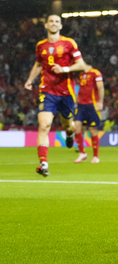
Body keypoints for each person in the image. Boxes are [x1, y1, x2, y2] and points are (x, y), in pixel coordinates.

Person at [24, 14, 85, 177]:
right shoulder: (40, 46)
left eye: (57, 21)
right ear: (46, 25)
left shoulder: (69, 43)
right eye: (51, 21)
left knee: (68, 125)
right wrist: (30, 80)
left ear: (61, 26)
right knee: (44, 125)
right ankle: (43, 164)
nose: (54, 24)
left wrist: (65, 69)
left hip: (66, 92)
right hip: (47, 91)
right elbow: (38, 64)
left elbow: (81, 64)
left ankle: (70, 134)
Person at [73, 61, 104, 163]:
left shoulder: (95, 73)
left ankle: (96, 156)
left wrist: (100, 102)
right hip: (81, 105)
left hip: (92, 105)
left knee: (92, 130)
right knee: (77, 126)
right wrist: (78, 98)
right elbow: (82, 89)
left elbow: (100, 87)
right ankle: (82, 153)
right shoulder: (81, 75)